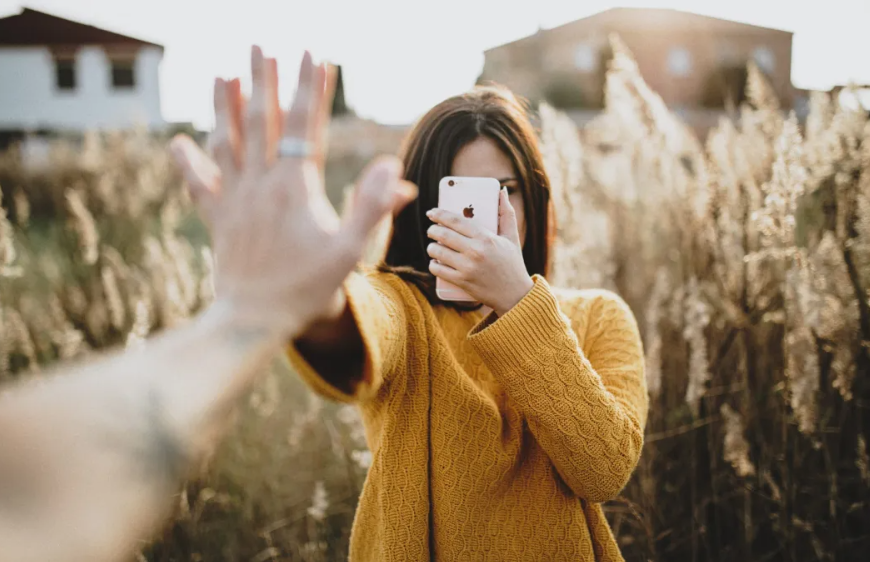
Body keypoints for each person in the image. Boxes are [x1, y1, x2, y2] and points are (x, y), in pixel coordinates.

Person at [188, 61, 650, 560]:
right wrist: (321, 300)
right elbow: (360, 327)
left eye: (506, 190)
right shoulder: (401, 306)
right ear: (421, 208)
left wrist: (518, 303)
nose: (486, 218)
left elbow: (604, 469)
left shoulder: (599, 316)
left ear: (535, 197)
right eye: (460, 197)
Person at [0, 46, 416, 562]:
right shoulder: (406, 302)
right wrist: (258, 310)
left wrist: (251, 310)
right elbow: (15, 495)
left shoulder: (542, 308)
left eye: (508, 189)